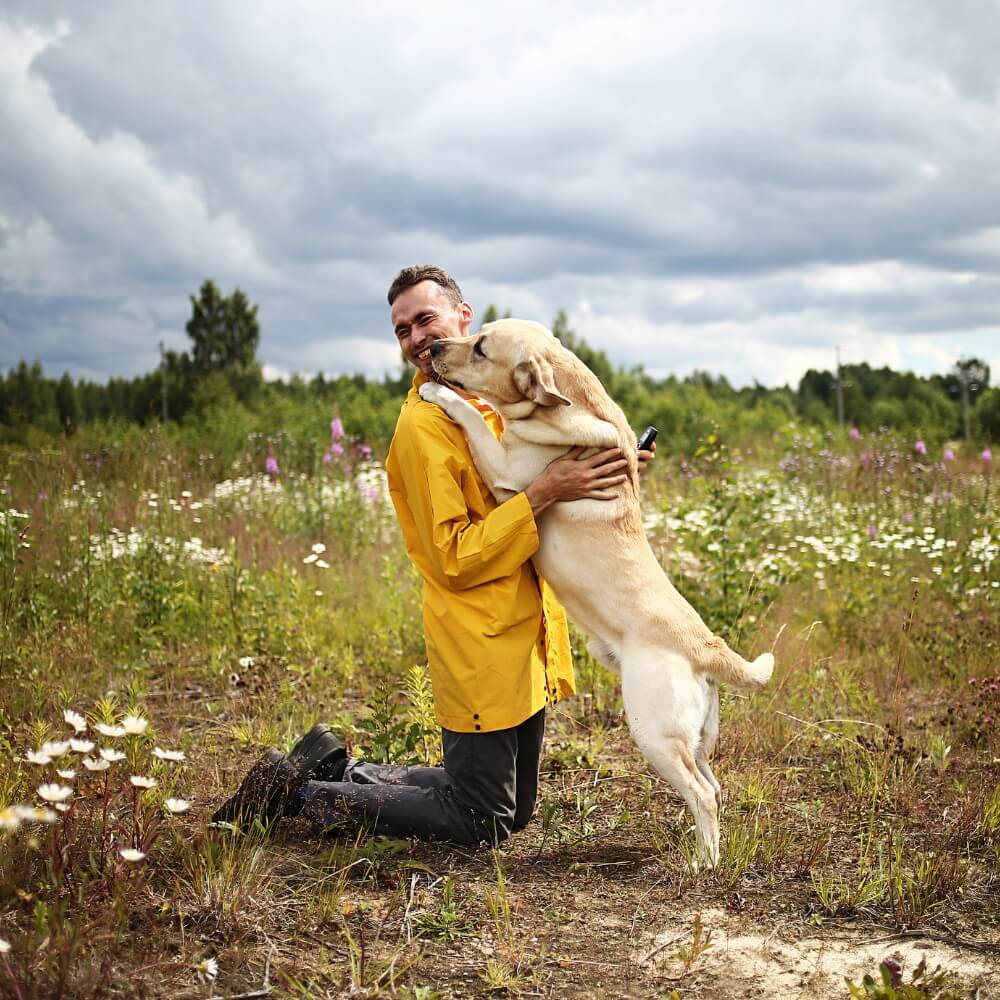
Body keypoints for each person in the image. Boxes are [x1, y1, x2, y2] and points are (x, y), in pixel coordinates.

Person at [213, 265, 651, 845]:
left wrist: (602, 468)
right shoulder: (423, 430)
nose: (417, 337)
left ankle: (337, 767)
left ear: (463, 317)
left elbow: (526, 480)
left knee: (510, 812)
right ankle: (297, 793)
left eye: (425, 319)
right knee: (481, 819)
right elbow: (454, 557)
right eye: (402, 330)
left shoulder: (492, 395)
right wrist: (550, 489)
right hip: (480, 639)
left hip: (526, 631)